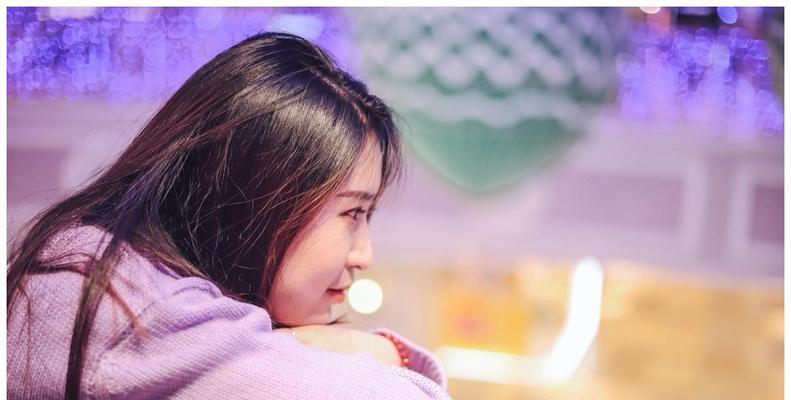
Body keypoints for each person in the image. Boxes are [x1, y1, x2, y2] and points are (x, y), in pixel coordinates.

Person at [7, 32, 451, 399]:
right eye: (352, 212)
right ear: (258, 191)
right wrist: (377, 352)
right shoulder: (115, 299)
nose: (364, 256)